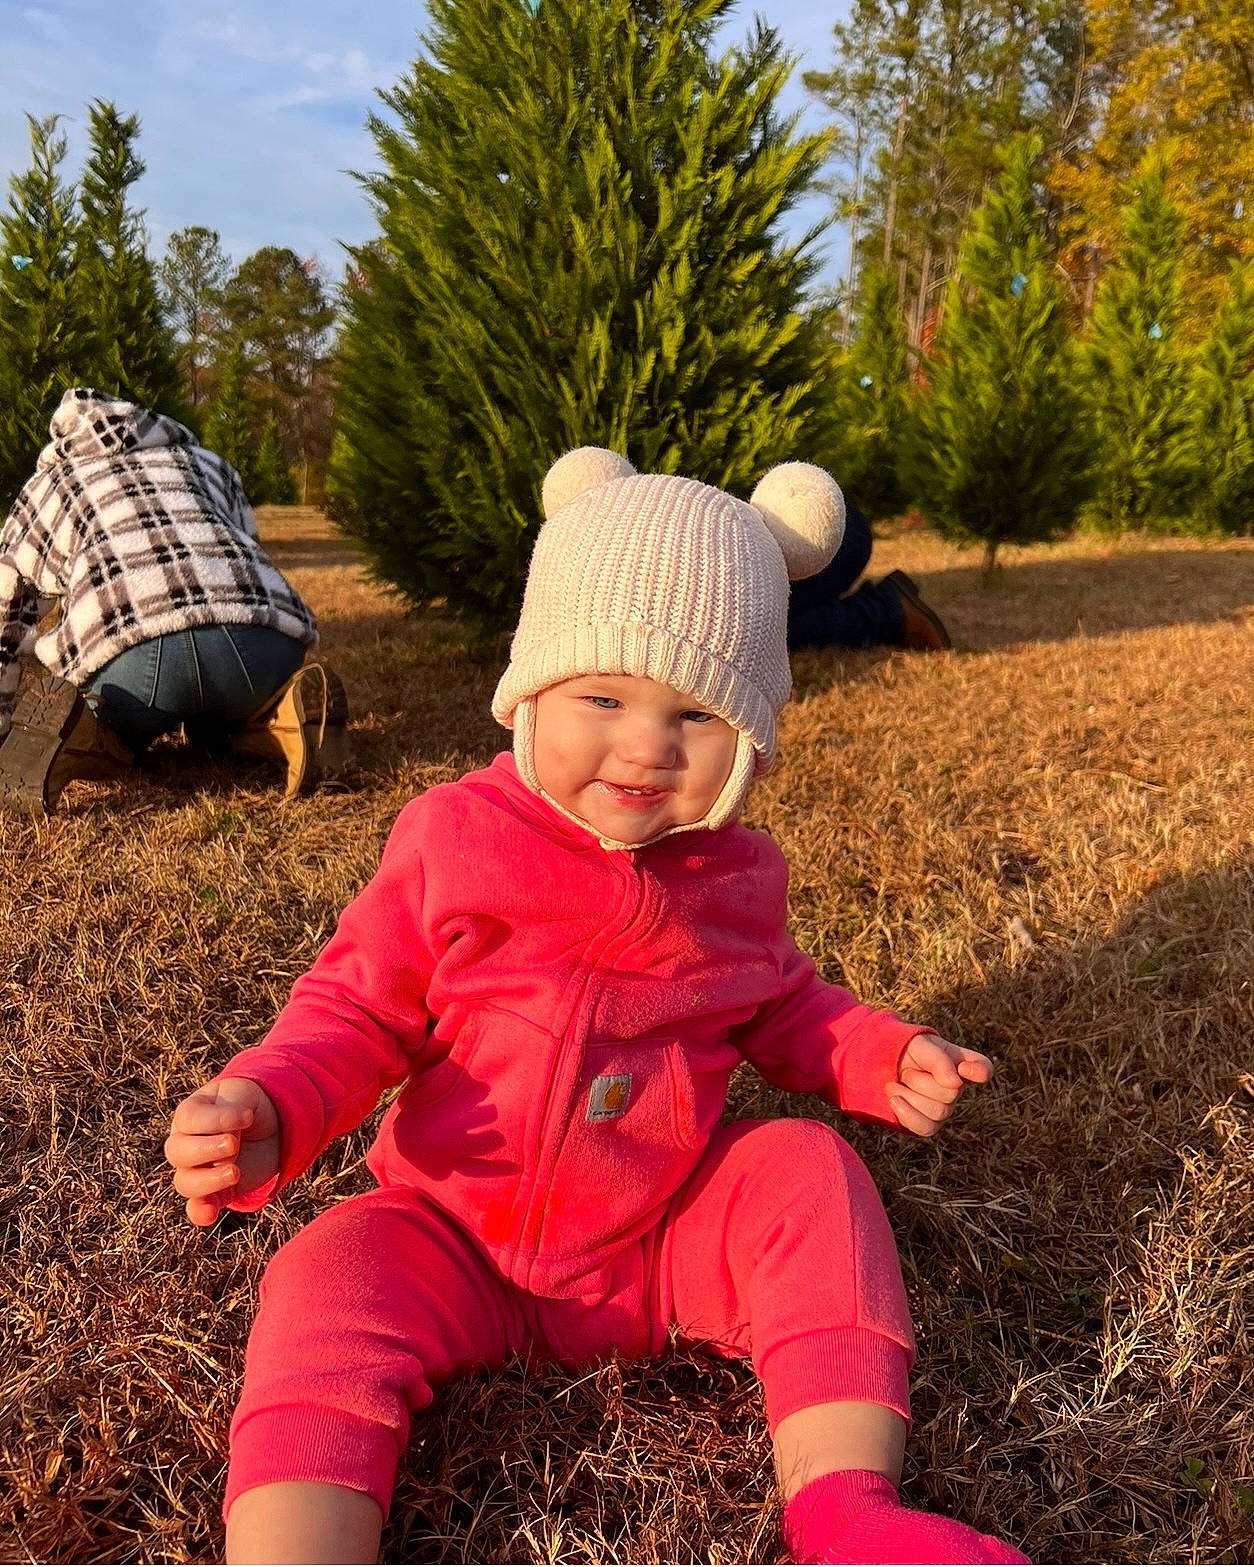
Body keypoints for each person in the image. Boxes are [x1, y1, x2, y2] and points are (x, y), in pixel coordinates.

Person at [164, 447, 1028, 1566]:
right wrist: (274, 1096)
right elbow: (357, 1008)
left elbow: (787, 1006)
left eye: (697, 714)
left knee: (809, 1173)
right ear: (530, 688)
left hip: (660, 1239)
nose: (644, 746)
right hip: (451, 1236)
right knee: (325, 1275)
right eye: (603, 696)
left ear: (755, 741)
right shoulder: (454, 838)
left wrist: (876, 1052)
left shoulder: (735, 876)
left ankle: (849, 1509)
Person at [0, 386, 348, 813]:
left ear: (62, 439)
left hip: (135, 658)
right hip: (261, 644)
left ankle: (81, 735)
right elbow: (249, 552)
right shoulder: (208, 463)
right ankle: (285, 718)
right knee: (232, 719)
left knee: (115, 736)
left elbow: (9, 608)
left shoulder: (49, 485)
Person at [788, 495, 951, 652]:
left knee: (768, 630)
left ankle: (883, 613)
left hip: (823, 529)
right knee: (773, 629)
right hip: (829, 519)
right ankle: (884, 611)